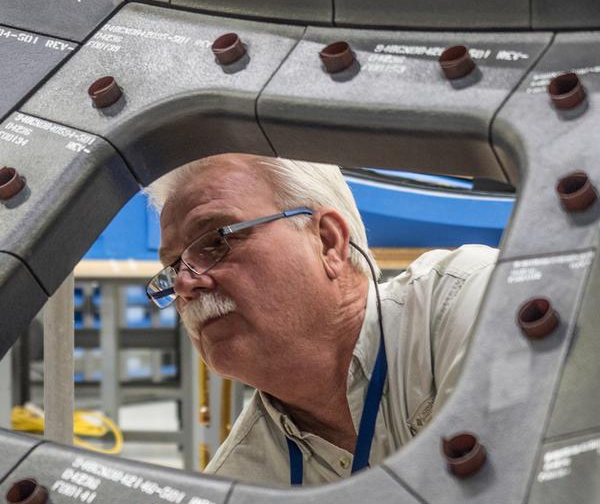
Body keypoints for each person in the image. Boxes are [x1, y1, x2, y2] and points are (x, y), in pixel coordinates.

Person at [147, 153, 497, 485]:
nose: (185, 283)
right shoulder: (240, 483)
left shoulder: (472, 300)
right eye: (173, 266)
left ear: (328, 242)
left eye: (216, 240)